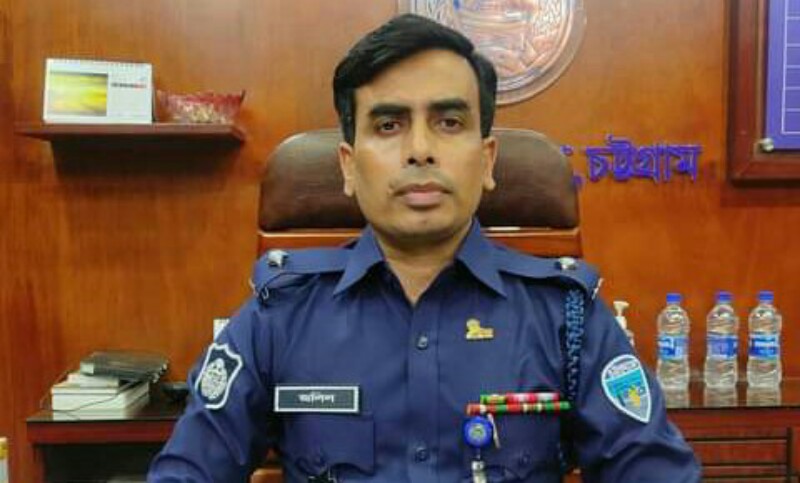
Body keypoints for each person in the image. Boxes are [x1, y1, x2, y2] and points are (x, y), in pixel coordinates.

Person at [148, 13, 700, 482]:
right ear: (348, 167)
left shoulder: (567, 319)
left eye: (449, 122)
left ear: (486, 160)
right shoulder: (279, 316)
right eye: (389, 124)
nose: (419, 149)